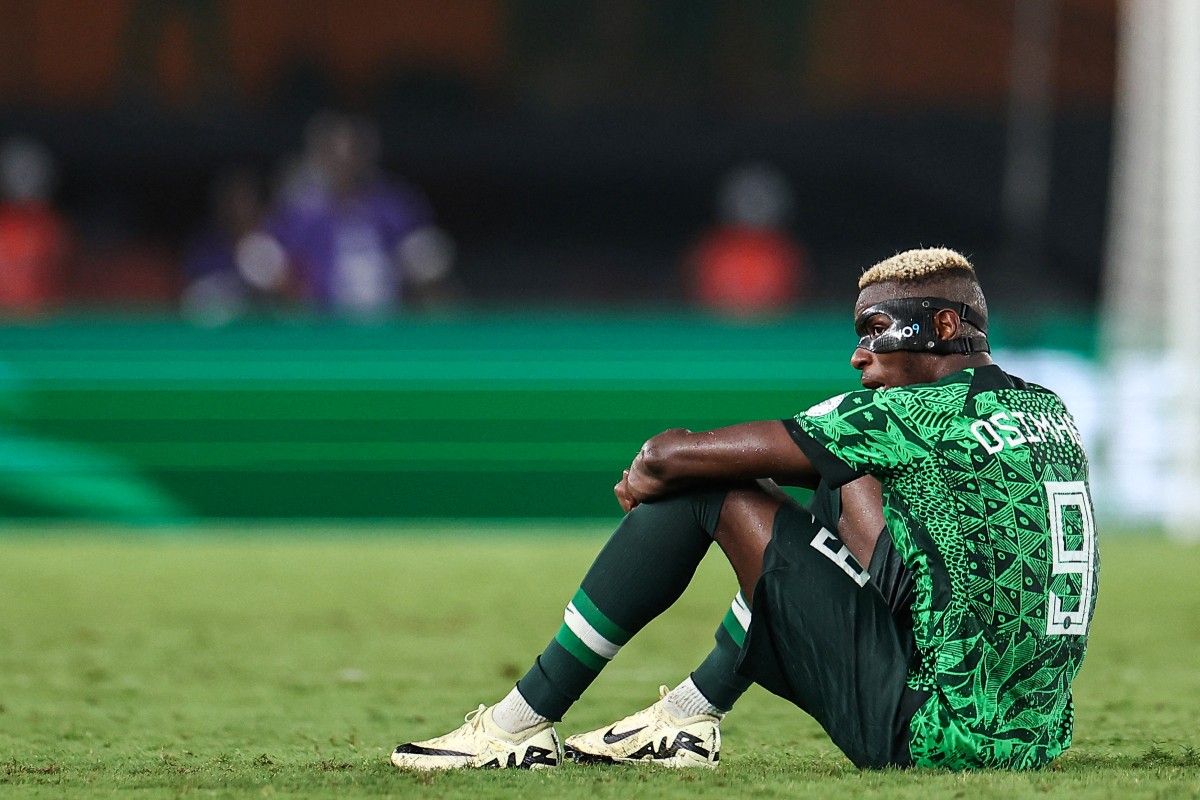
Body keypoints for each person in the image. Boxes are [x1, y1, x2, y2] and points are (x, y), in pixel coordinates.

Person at [390, 247, 1098, 771]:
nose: (859, 355)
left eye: (875, 329)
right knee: (832, 481)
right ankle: (685, 719)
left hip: (933, 733)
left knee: (710, 490)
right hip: (1028, 732)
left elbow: (675, 455)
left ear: (943, 324)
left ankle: (518, 726)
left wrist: (647, 472)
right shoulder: (1047, 407)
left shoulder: (912, 416)